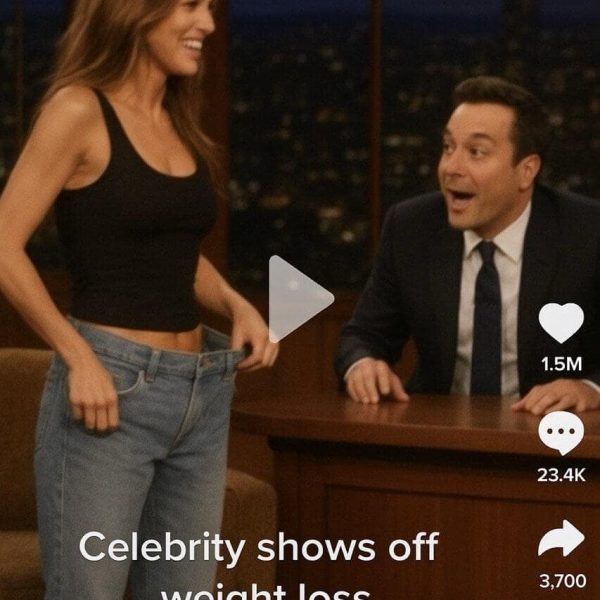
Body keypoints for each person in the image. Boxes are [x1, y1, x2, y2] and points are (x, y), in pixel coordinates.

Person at [0, 1, 278, 598]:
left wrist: (236, 304)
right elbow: (3, 244)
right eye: (190, 5)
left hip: (201, 393)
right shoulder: (78, 109)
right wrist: (78, 357)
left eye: (210, 8)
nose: (207, 24)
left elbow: (171, 252)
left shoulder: (176, 118)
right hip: (111, 393)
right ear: (136, 11)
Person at [335, 76, 600, 415]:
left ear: (526, 170)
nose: (451, 167)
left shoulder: (586, 233)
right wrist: (362, 364)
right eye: (448, 148)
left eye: (476, 152)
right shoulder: (411, 227)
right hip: (438, 430)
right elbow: (364, 335)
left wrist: (590, 388)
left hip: (547, 431)